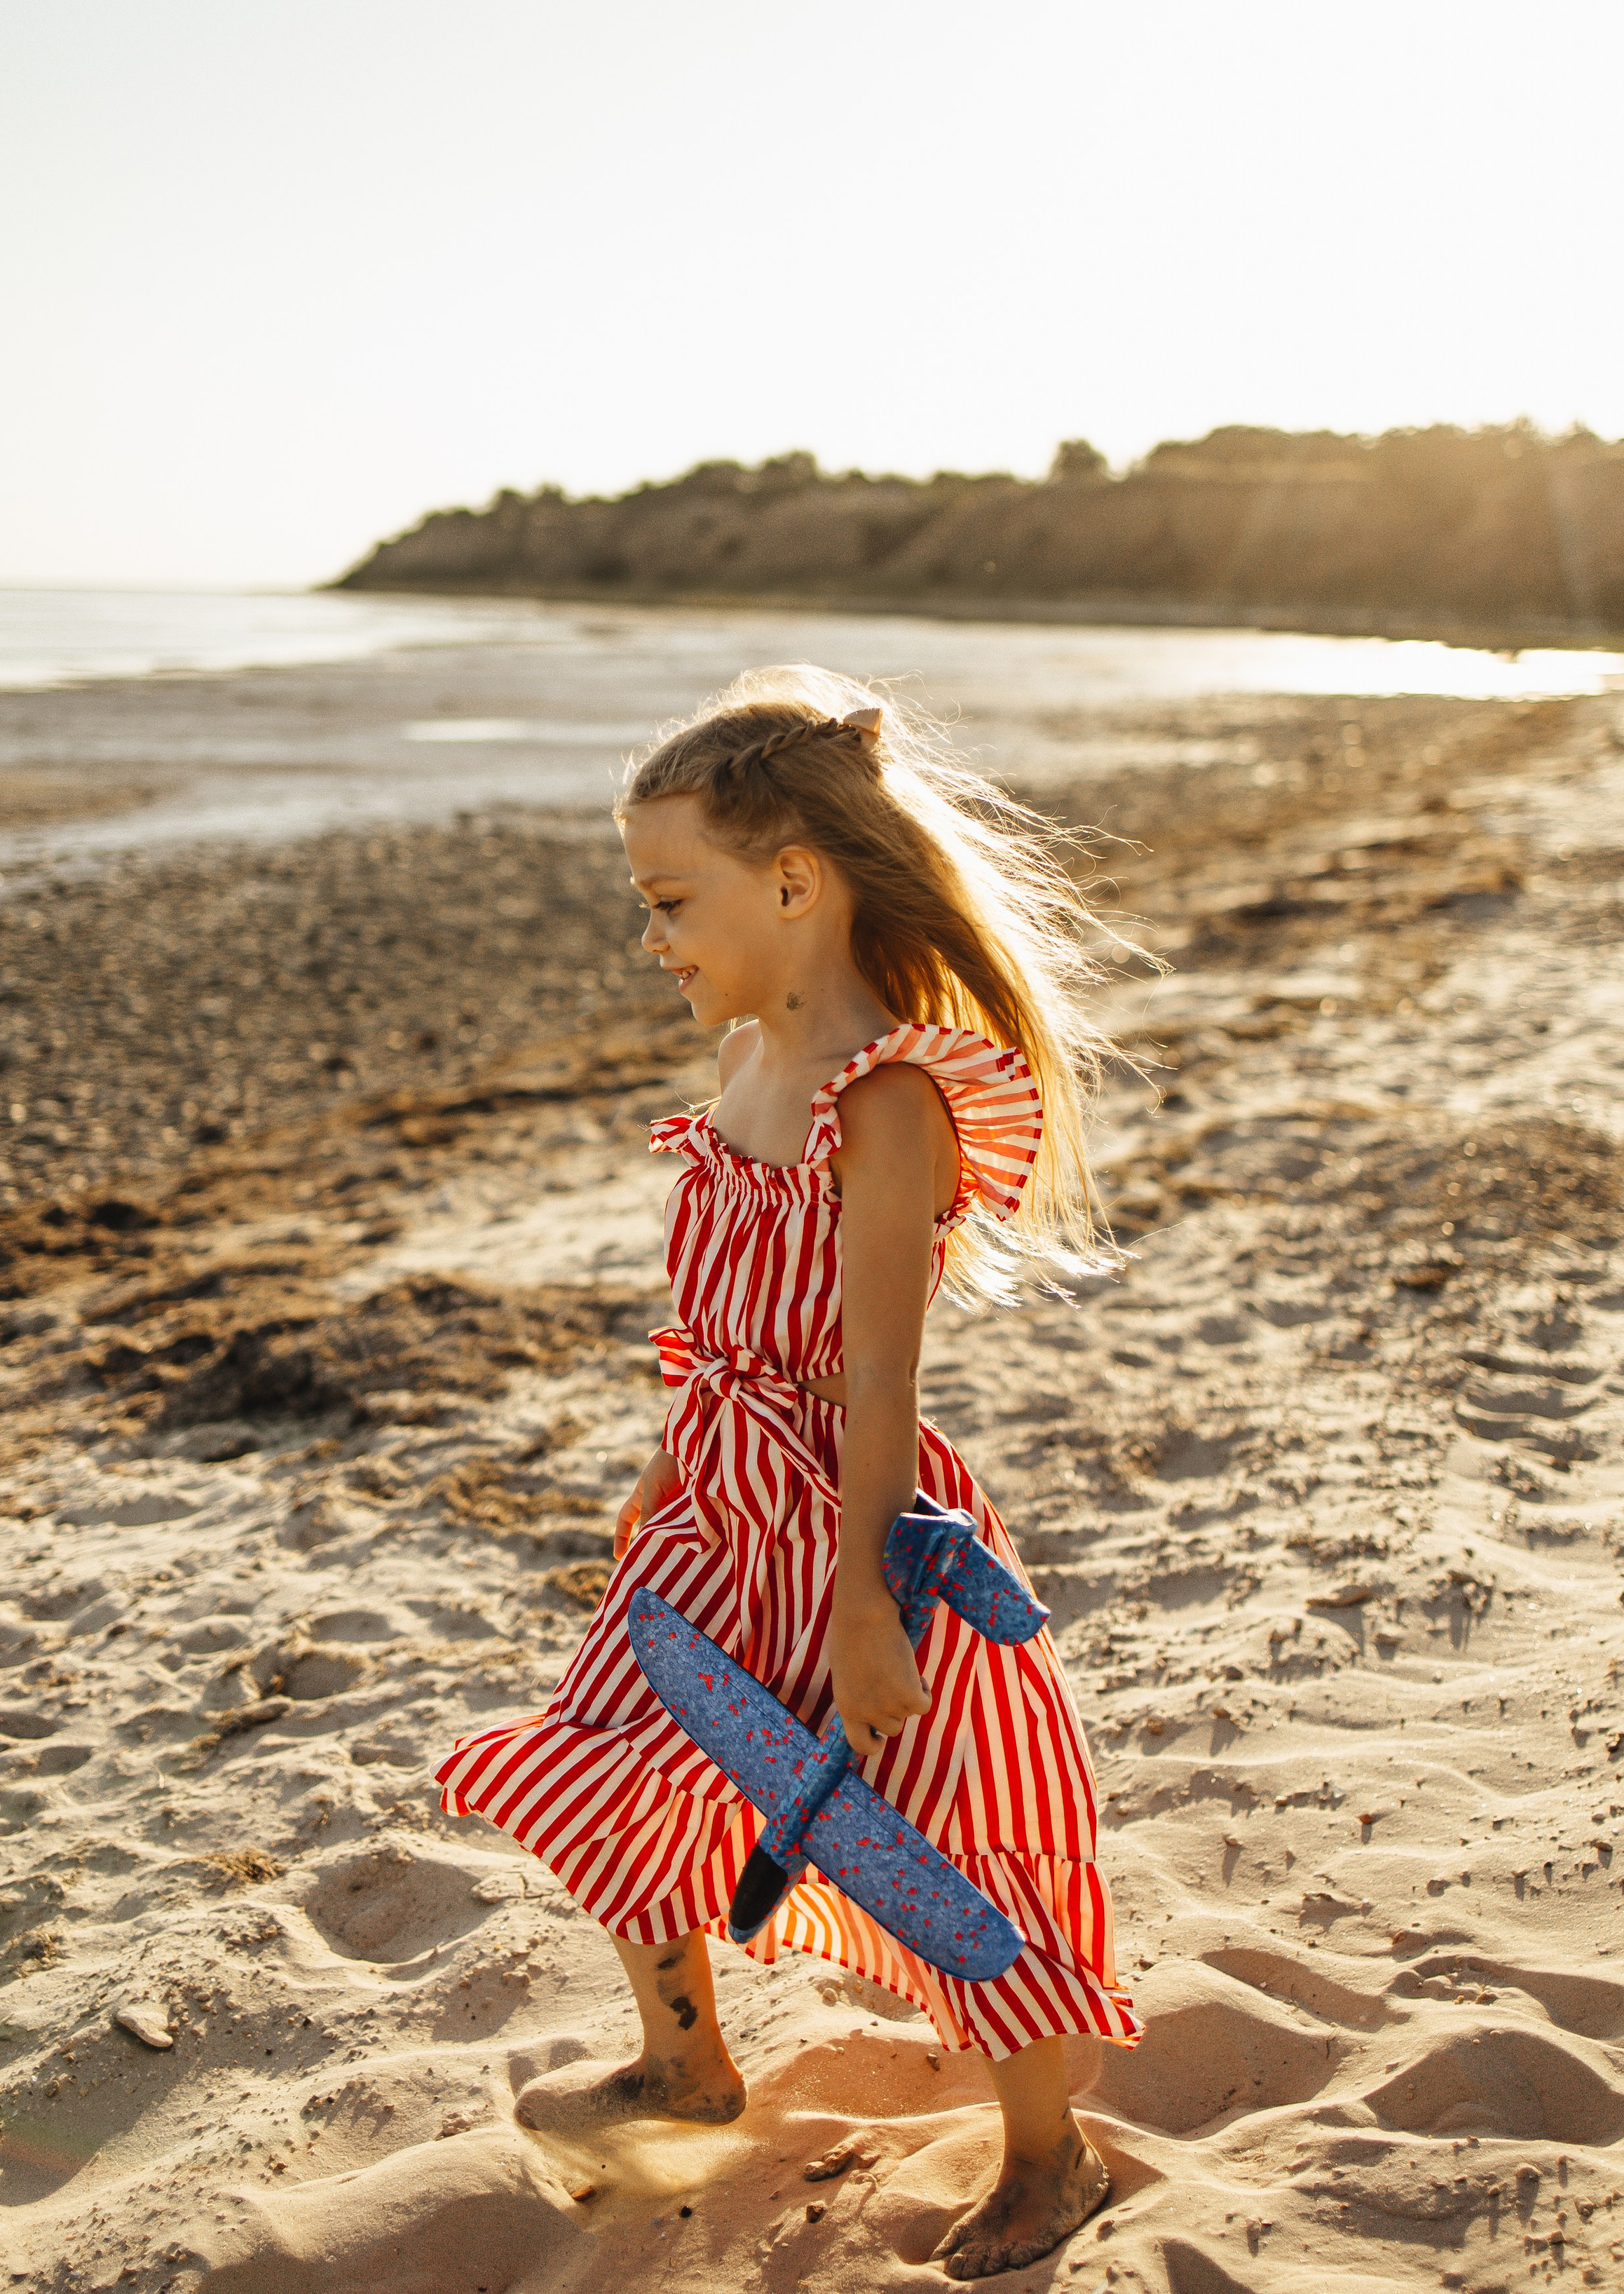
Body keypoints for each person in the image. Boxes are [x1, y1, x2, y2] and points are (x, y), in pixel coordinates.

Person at [434, 666, 1137, 2279]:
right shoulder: (746, 1061)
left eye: (671, 899)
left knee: (942, 1843)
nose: (653, 936)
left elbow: (878, 1374)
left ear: (795, 884)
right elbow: (711, 1327)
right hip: (709, 1503)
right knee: (613, 1744)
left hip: (848, 1523)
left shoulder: (881, 1099)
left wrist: (863, 1613)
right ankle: (685, 2057)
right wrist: (655, 1476)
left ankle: (1052, 2153)